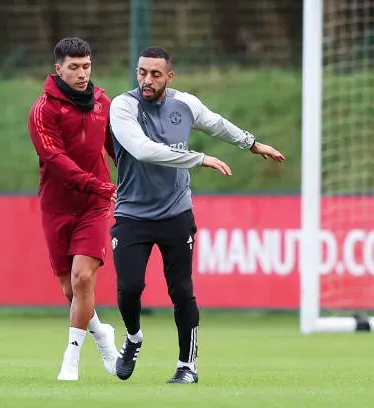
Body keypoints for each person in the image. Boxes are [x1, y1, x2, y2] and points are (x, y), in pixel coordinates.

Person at [108, 46, 285, 384]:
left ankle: (187, 366)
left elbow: (216, 124)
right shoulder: (123, 106)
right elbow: (142, 150)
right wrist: (198, 158)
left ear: (169, 77)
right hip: (132, 214)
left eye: (155, 74)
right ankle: (133, 338)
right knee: (129, 288)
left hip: (176, 213)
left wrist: (251, 144)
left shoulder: (185, 104)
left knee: (181, 290)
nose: (147, 79)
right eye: (142, 72)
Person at [28, 37, 119, 381]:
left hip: (94, 205)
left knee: (84, 278)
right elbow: (55, 160)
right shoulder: (43, 110)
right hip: (57, 206)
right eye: (74, 67)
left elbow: (116, 147)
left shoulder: (102, 103)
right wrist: (100, 185)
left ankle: (72, 358)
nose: (83, 73)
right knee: (72, 291)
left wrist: (131, 178)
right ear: (58, 70)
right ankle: (102, 334)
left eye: (87, 66)